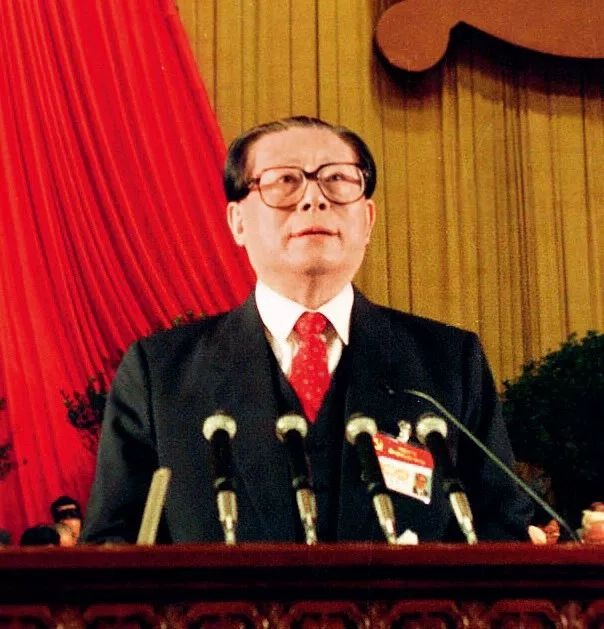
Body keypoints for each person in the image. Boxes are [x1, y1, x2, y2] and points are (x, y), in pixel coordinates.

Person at [82, 116, 533, 544]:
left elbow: (500, 530)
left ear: (368, 219)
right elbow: (112, 543)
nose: (314, 199)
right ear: (238, 223)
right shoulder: (161, 373)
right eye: (285, 181)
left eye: (337, 180)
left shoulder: (447, 362)